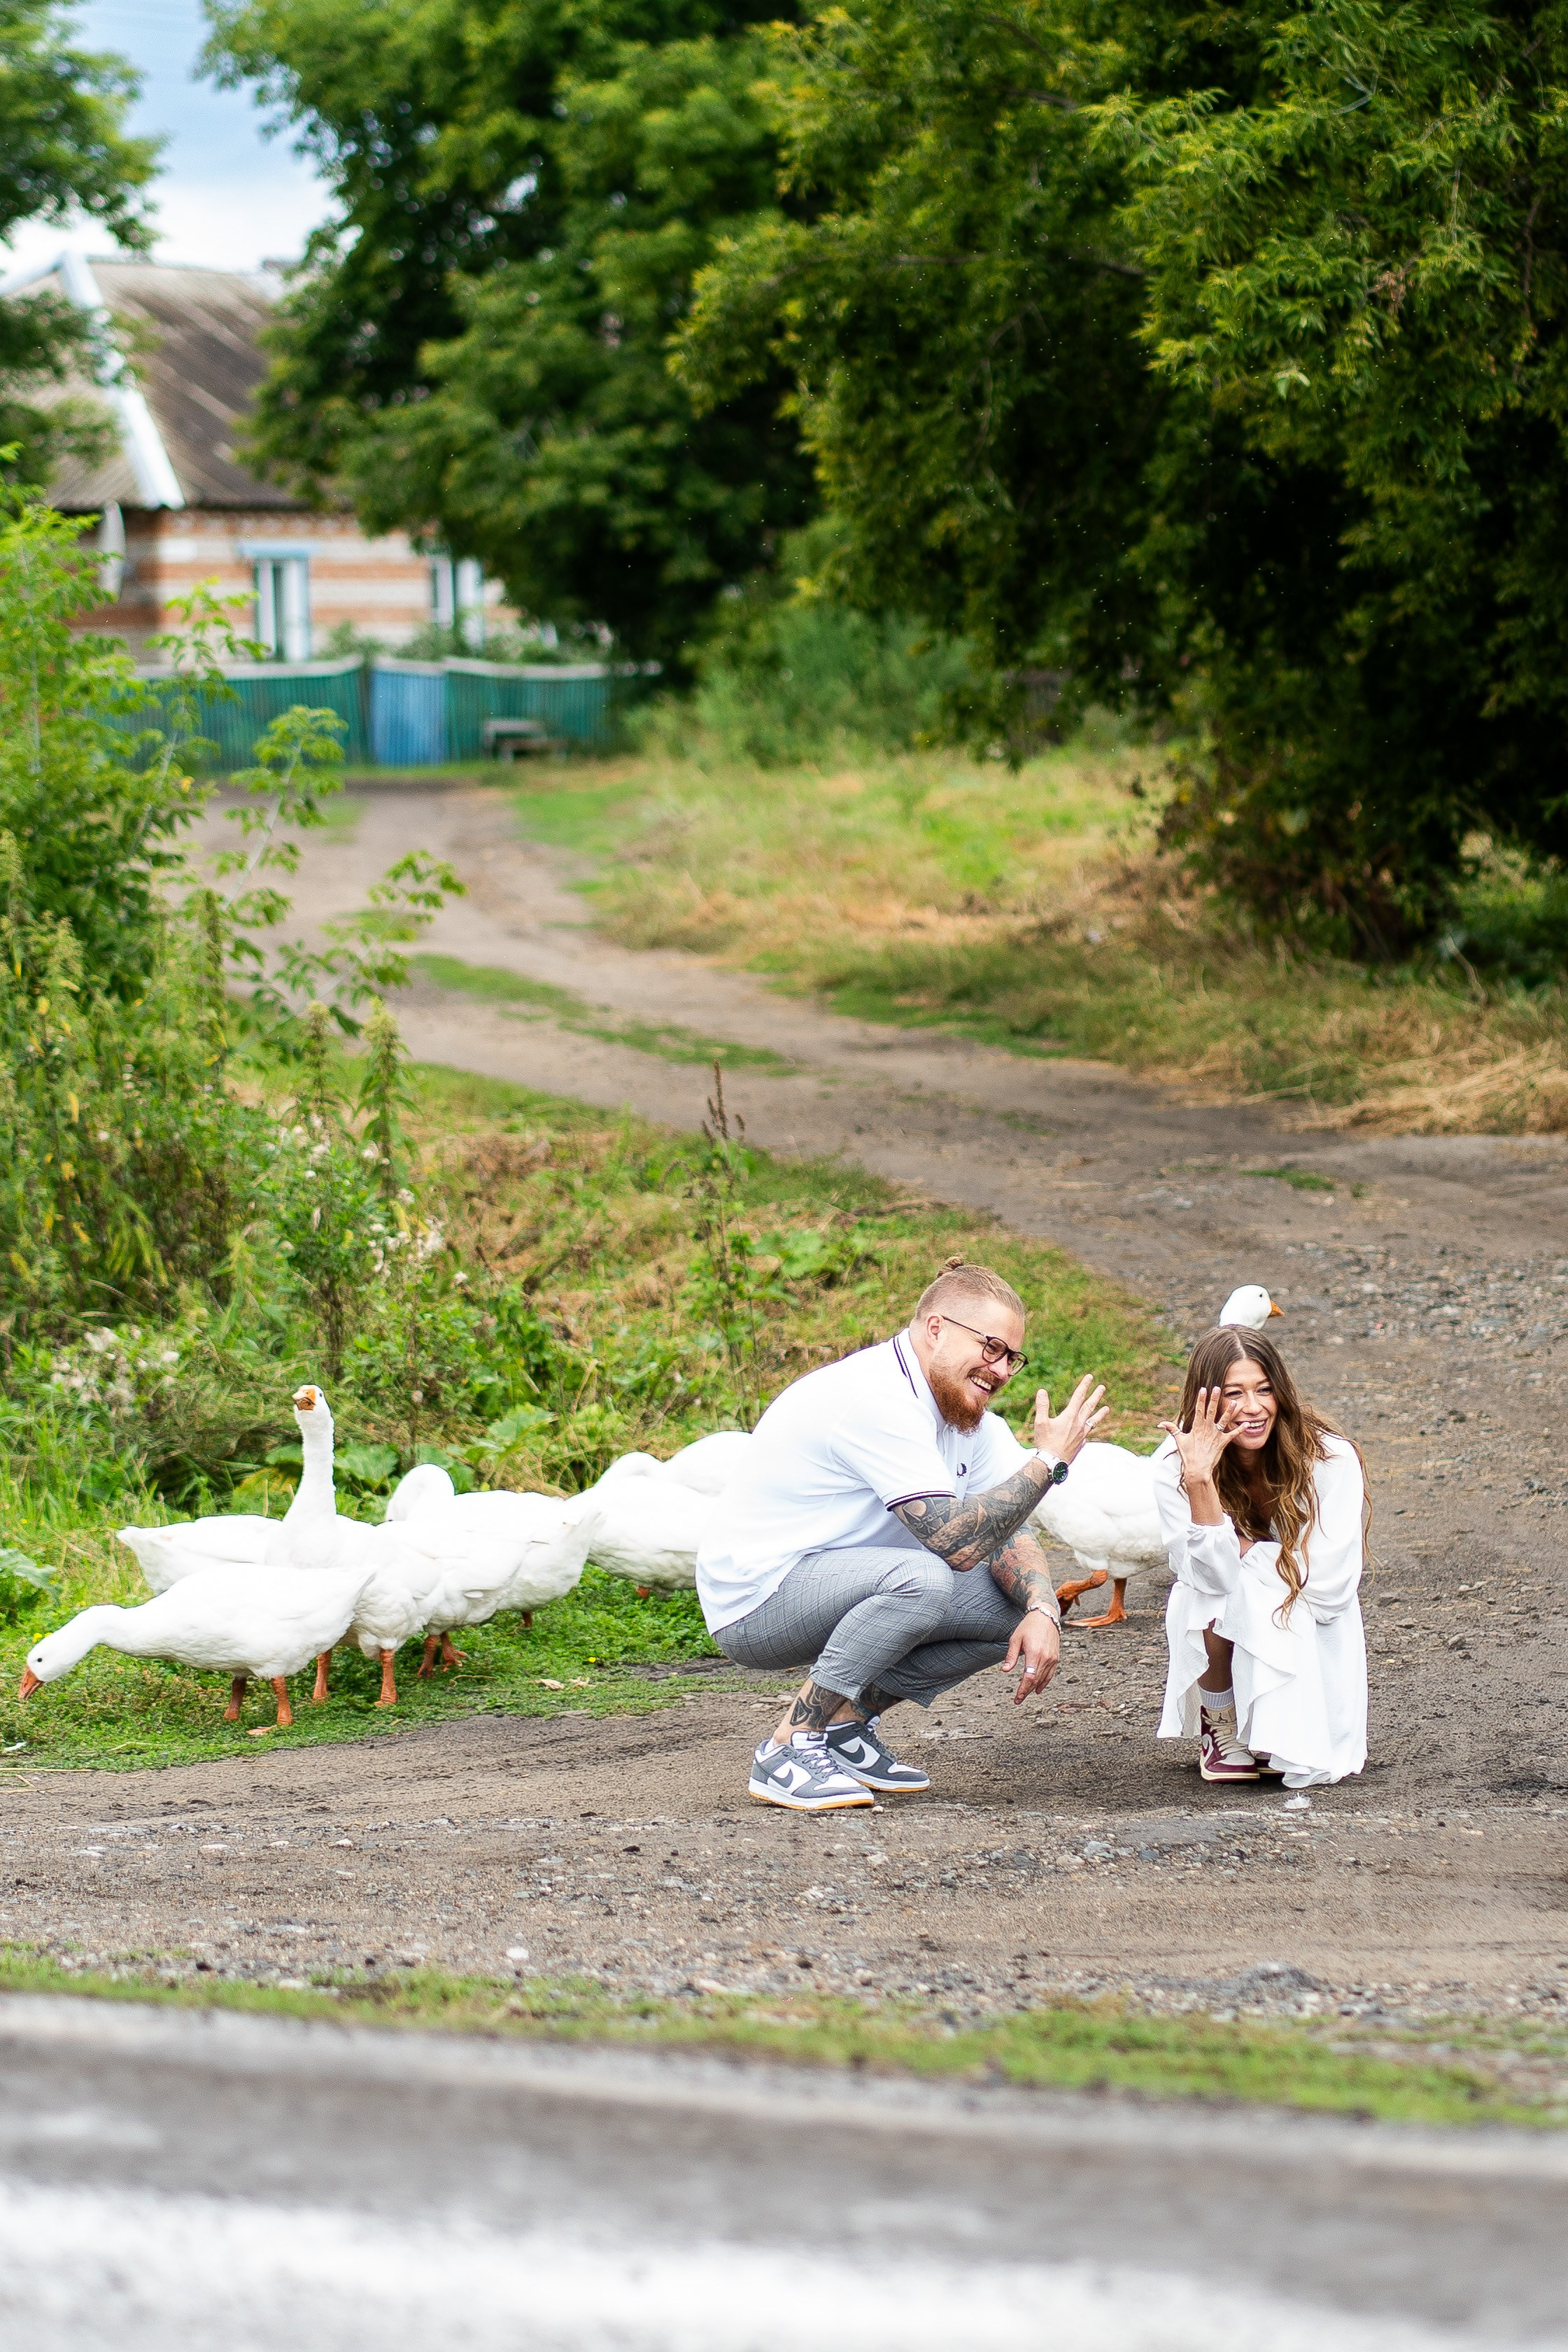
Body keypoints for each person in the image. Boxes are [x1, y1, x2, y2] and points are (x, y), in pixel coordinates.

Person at [696, 1258, 1107, 1812]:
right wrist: (1049, 1460)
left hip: (843, 1585)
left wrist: (1041, 1607)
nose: (1003, 1368)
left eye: (1012, 1355)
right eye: (990, 1347)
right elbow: (955, 1540)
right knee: (924, 1577)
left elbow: (1008, 1531)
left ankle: (844, 1726)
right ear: (935, 1328)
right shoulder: (876, 1397)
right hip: (755, 1600)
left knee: (1013, 1608)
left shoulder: (968, 1419)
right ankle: (788, 1746)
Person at [1154, 1326, 1368, 1791]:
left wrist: (1249, 1552)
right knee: (1200, 1584)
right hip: (1233, 1605)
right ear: (1203, 1400)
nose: (1253, 1407)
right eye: (1234, 1393)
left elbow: (1328, 1586)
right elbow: (1206, 1576)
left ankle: (1277, 1721)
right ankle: (1222, 1719)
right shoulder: (1174, 1466)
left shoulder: (1330, 1459)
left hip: (1313, 1626)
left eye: (1264, 1389)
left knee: (1245, 1574)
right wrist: (1200, 1483)